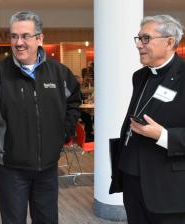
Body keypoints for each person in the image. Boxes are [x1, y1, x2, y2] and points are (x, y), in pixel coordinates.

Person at [0, 10, 81, 224]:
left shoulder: (59, 73)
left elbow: (74, 102)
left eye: (25, 36)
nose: (19, 42)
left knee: (47, 220)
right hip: (12, 169)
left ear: (40, 38)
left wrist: (63, 133)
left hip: (48, 167)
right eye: (14, 36)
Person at [110, 15, 185, 223]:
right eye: (138, 39)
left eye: (146, 39)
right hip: (132, 180)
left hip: (167, 189)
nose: (139, 45)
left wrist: (163, 135)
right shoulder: (140, 76)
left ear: (170, 42)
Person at [75, 75, 94, 141]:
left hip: (77, 110)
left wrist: (85, 100)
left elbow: (81, 98)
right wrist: (83, 101)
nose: (81, 83)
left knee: (87, 116)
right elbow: (77, 101)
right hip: (75, 111)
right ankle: (88, 134)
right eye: (80, 81)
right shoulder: (74, 89)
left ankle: (88, 133)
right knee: (87, 117)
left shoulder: (76, 89)